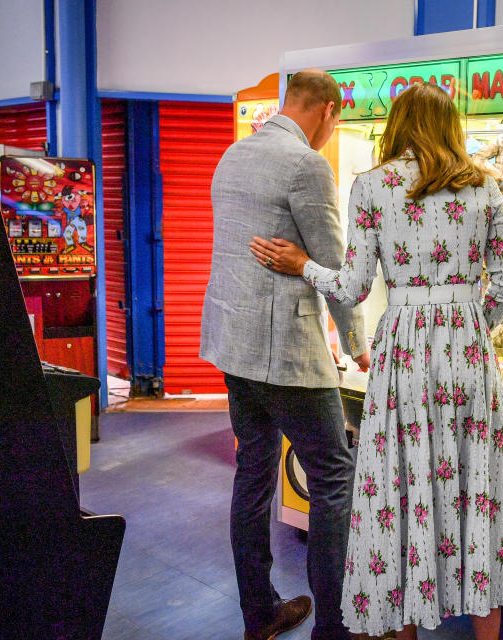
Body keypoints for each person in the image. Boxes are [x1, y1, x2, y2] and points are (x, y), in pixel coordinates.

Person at [250, 82, 503, 640]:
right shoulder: (485, 190)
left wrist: (303, 264)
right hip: (468, 351)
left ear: (398, 124)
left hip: (403, 351)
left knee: (398, 494)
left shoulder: (373, 187)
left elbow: (351, 287)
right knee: (478, 491)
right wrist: (469, 325)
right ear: (451, 126)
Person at [200, 69, 370, 640]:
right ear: (327, 109)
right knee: (332, 474)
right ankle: (335, 628)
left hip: (234, 343)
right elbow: (334, 264)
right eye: (337, 117)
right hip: (285, 353)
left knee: (254, 472)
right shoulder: (307, 165)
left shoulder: (235, 154)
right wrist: (357, 343)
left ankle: (260, 613)